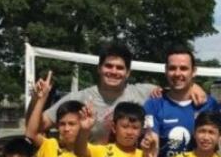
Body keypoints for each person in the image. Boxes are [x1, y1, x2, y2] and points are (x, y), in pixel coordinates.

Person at [39, 44, 206, 143]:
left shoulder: (145, 93)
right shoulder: (78, 98)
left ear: (127, 72)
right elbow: (39, 126)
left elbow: (176, 87)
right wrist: (37, 100)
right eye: (108, 66)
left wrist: (193, 86)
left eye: (120, 68)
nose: (113, 71)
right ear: (99, 68)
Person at [144, 46, 221, 157]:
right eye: (172, 68)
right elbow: (152, 141)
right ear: (166, 70)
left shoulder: (209, 104)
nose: (177, 73)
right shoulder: (153, 104)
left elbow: (219, 140)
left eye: (184, 68)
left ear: (194, 71)